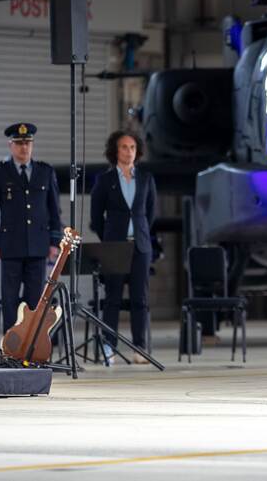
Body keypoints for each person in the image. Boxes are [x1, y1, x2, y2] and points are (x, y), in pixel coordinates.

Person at [0, 123, 62, 333]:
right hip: (10, 246)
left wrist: (55, 242)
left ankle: (33, 345)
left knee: (35, 299)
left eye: (27, 143)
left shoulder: (45, 172)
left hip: (39, 247)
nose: (24, 147)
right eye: (19, 143)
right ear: (10, 145)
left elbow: (55, 211)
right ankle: (12, 346)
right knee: (9, 300)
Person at [90, 129, 157, 365]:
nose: (128, 152)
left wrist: (139, 233)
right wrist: (109, 237)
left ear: (137, 152)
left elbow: (150, 213)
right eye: (123, 147)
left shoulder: (146, 179)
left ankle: (139, 347)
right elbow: (96, 217)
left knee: (140, 298)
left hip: (140, 245)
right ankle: (109, 346)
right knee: (113, 298)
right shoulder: (105, 180)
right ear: (115, 151)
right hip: (115, 247)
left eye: (132, 148)